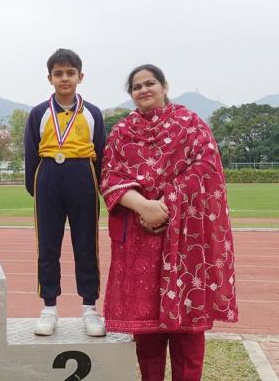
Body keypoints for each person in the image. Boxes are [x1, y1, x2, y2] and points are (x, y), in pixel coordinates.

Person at [101, 64, 238, 380]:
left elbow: (207, 168)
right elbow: (109, 177)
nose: (143, 90)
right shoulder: (122, 133)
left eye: (150, 83)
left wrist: (166, 204)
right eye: (136, 87)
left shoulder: (190, 125)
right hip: (140, 241)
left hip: (187, 241)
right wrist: (144, 207)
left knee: (188, 333)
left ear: (164, 86)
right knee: (146, 333)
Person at [24, 48, 107, 337]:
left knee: (86, 245)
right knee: (48, 246)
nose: (64, 78)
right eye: (58, 73)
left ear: (80, 77)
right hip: (48, 177)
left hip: (83, 175)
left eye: (70, 73)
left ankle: (90, 308)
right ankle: (49, 308)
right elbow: (30, 153)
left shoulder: (93, 113)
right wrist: (36, 187)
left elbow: (102, 152)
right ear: (49, 78)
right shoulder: (39, 113)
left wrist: (99, 187)